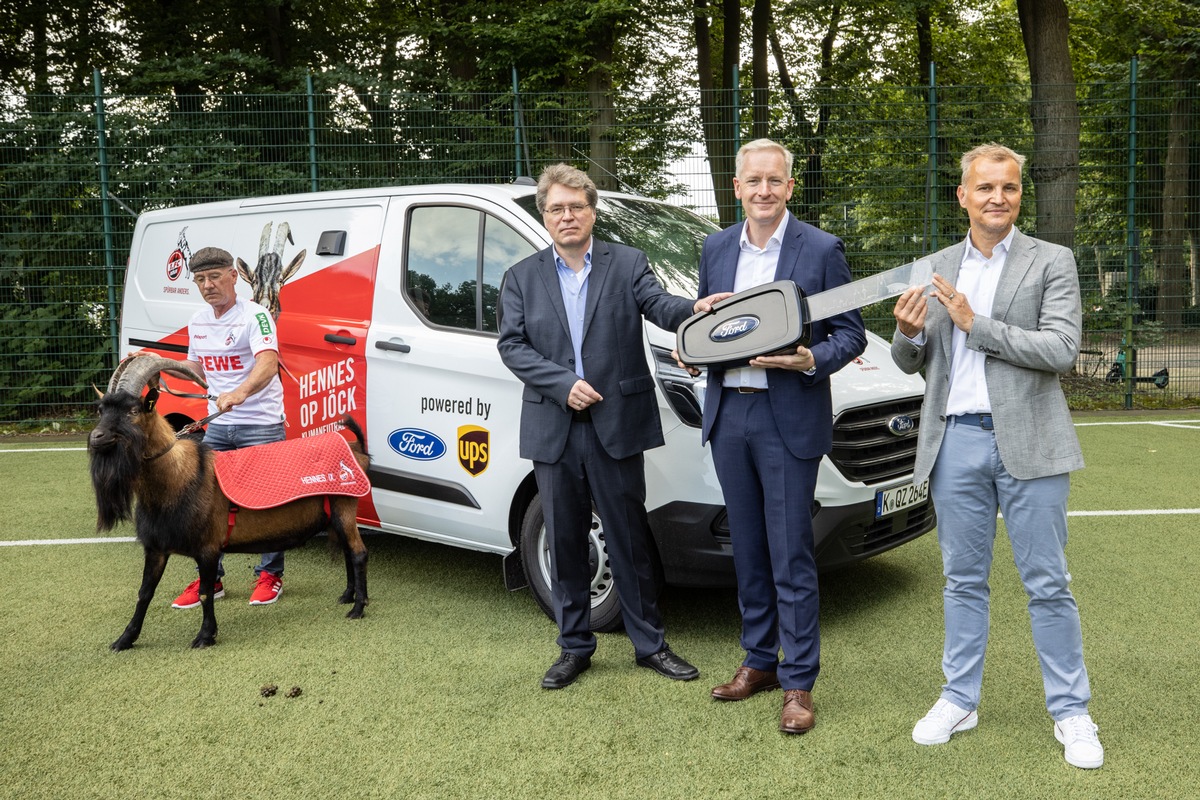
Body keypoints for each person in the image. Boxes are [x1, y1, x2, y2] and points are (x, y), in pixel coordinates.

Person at [890, 143, 1103, 769]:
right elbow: (916, 359)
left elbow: (1062, 349)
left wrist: (973, 321)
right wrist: (905, 333)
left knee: (1047, 583)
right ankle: (960, 697)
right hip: (955, 438)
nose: (997, 198)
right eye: (985, 187)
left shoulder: (1052, 261)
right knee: (962, 580)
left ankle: (1071, 711)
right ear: (963, 196)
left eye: (1008, 188)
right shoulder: (934, 266)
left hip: (1032, 440)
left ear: (1019, 195)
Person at [498, 163, 726, 690]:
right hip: (554, 426)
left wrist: (695, 309)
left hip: (616, 424)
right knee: (565, 540)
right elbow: (511, 346)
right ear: (544, 215)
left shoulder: (628, 263)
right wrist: (561, 382)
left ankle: (650, 645)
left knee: (628, 540)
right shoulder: (522, 277)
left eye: (576, 206)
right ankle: (574, 646)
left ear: (592, 211)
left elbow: (659, 304)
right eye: (556, 208)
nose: (567, 216)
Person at [692, 139, 866, 733]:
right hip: (728, 416)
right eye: (753, 181)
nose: (763, 190)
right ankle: (759, 662)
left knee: (790, 552)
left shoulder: (821, 250)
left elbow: (851, 334)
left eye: (775, 180)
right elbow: (711, 328)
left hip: (787, 417)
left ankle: (799, 683)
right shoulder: (716, 248)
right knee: (748, 549)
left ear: (790, 187)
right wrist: (696, 352)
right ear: (737, 187)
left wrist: (807, 360)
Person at [170, 246, 289, 610]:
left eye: (215, 277)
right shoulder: (198, 320)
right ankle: (212, 579)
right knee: (208, 503)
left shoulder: (256, 316)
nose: (208, 285)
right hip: (218, 426)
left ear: (234, 276)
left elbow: (269, 363)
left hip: (261, 423)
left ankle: (270, 575)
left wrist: (238, 393)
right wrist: (154, 365)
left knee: (268, 502)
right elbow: (197, 369)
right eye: (200, 280)